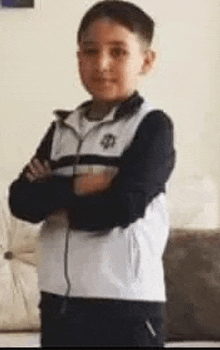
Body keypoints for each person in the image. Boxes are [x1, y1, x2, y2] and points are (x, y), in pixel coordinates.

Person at [9, 0, 176, 347]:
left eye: (118, 52)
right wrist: (83, 185)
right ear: (78, 58)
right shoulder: (61, 129)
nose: (101, 64)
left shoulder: (152, 126)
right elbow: (21, 201)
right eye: (90, 51)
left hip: (126, 306)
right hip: (59, 302)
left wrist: (52, 195)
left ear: (146, 60)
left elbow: (122, 208)